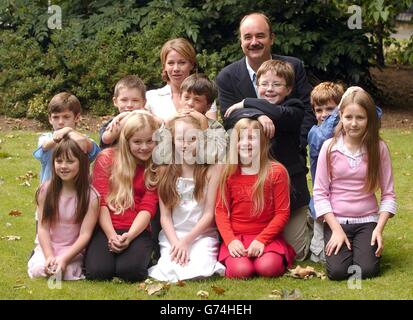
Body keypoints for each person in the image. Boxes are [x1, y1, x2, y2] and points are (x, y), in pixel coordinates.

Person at [223, 59, 310, 260]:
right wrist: (257, 114)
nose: (269, 89)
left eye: (276, 84)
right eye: (264, 84)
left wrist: (247, 103)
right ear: (257, 86)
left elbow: (280, 114)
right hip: (259, 194)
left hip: (290, 190)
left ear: (288, 89)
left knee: (297, 253)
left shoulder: (294, 107)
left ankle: (309, 224)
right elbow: (229, 118)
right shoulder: (252, 112)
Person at [313, 88, 396, 280]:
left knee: (366, 270)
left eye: (360, 117)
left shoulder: (379, 148)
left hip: (367, 220)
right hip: (337, 220)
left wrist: (378, 229)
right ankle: (340, 246)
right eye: (348, 117)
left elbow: (389, 194)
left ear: (369, 119)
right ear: (340, 116)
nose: (353, 123)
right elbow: (320, 193)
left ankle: (364, 248)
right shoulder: (330, 147)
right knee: (338, 272)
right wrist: (335, 229)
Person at [216, 12, 315, 154]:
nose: (254, 42)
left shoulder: (293, 67)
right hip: (249, 161)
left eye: (260, 36)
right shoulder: (227, 76)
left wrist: (299, 144)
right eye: (248, 37)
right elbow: (230, 118)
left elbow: (306, 110)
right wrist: (257, 115)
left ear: (272, 38)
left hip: (290, 159)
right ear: (241, 42)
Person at [148, 114, 225, 282]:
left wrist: (187, 241)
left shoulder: (212, 169)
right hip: (173, 234)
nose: (186, 145)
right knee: (170, 269)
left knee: (199, 268)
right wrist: (177, 242)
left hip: (201, 234)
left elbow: (208, 215)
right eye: (181, 139)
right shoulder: (164, 169)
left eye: (192, 139)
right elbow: (165, 217)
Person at [216, 118, 295, 278]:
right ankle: (237, 259)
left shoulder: (276, 172)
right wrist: (230, 240)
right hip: (237, 237)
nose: (246, 143)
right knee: (241, 271)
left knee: (268, 268)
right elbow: (221, 211)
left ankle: (271, 256)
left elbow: (282, 213)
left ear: (264, 141)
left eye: (252, 138)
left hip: (267, 237)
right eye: (240, 138)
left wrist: (262, 240)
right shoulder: (228, 172)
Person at [85, 112, 160, 282]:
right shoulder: (107, 158)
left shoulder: (156, 166)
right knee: (98, 272)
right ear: (127, 142)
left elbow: (148, 207)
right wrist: (111, 235)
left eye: (150, 141)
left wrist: (130, 236)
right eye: (137, 142)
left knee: (131, 272)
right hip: (107, 226)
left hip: (136, 228)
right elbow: (101, 201)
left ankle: (145, 252)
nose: (144, 147)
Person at [28, 137, 100, 280]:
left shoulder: (91, 197)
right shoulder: (45, 190)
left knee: (66, 272)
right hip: (49, 245)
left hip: (72, 249)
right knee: (39, 269)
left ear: (82, 163)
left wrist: (65, 259)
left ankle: (63, 263)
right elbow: (43, 228)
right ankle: (42, 258)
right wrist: (49, 256)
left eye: (70, 161)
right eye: (59, 161)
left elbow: (85, 235)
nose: (63, 166)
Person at [307, 82, 344, 263]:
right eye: (318, 110)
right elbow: (323, 138)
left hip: (343, 200)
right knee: (319, 256)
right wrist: (336, 115)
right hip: (322, 199)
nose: (323, 115)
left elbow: (374, 115)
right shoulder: (315, 132)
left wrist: (354, 96)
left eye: (329, 109)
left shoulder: (347, 135)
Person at [34, 92, 100, 184]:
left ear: (77, 118)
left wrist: (69, 131)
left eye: (66, 117)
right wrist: (65, 133)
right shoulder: (46, 138)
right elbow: (44, 146)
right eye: (56, 117)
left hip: (79, 194)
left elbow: (94, 150)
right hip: (51, 194)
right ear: (50, 119)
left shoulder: (82, 139)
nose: (60, 122)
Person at [146, 38, 217, 122]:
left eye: (182, 63)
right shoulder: (151, 97)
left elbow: (212, 130)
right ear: (164, 66)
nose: (176, 69)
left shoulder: (203, 94)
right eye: (171, 63)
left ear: (191, 65)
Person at [99, 75, 147, 149]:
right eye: (124, 100)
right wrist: (129, 116)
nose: (129, 105)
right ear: (115, 101)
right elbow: (106, 139)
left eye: (135, 100)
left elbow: (161, 124)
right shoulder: (112, 123)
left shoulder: (148, 122)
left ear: (144, 103)